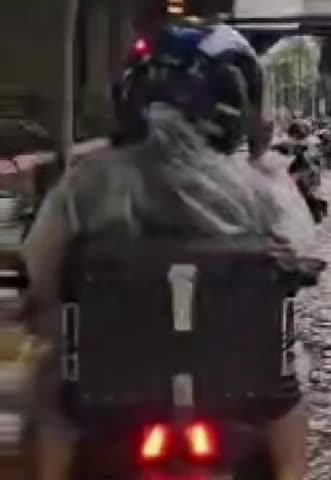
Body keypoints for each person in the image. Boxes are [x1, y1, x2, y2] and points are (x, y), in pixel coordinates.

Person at [22, 23, 313, 480]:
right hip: (243, 394)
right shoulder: (267, 189)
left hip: (101, 398)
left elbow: (38, 272)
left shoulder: (86, 182)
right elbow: (303, 259)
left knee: (49, 385)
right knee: (290, 370)